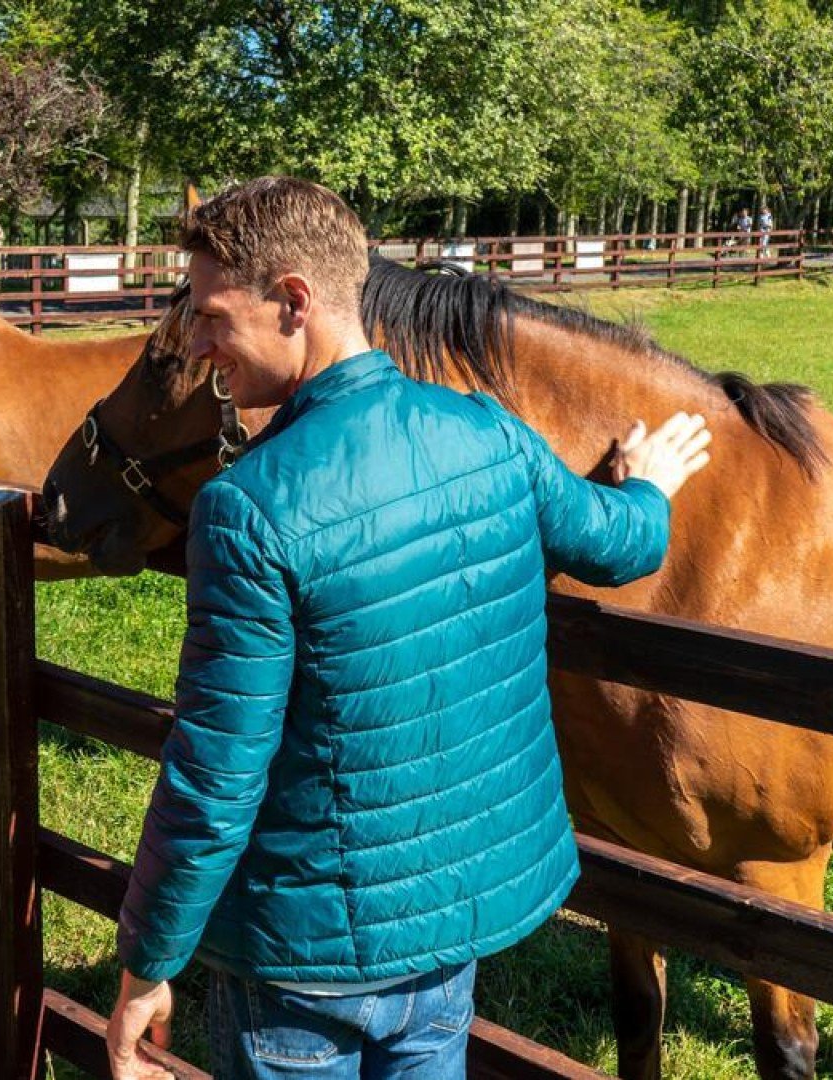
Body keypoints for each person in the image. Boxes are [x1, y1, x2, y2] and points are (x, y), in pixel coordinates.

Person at [105, 177, 711, 1079]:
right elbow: (617, 545)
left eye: (210, 316)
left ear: (293, 301)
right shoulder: (488, 433)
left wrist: (147, 965)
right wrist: (649, 490)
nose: (195, 343)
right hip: (449, 934)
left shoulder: (247, 508)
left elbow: (217, 773)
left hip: (302, 964)